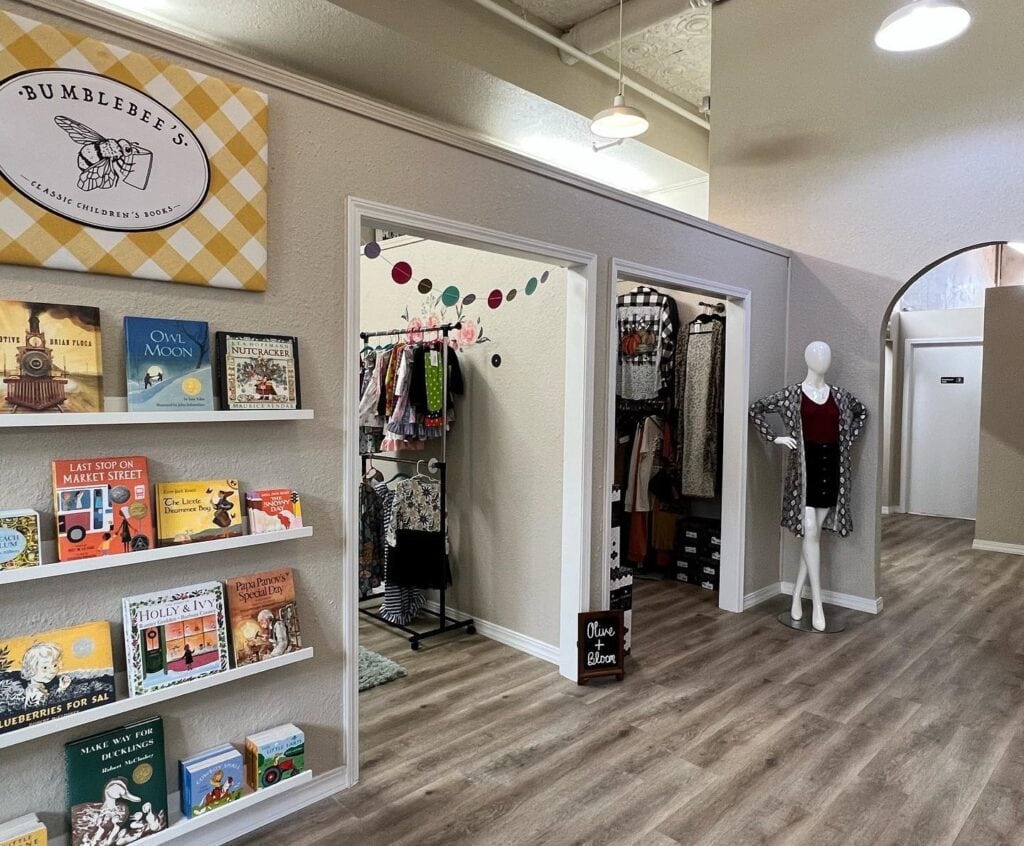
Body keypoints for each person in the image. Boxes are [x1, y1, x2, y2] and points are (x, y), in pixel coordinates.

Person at [20, 642, 72, 708]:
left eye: (55, 665)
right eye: (45, 667)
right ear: (31, 668)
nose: (52, 671)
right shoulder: (35, 693)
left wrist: (61, 688)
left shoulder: (37, 688)